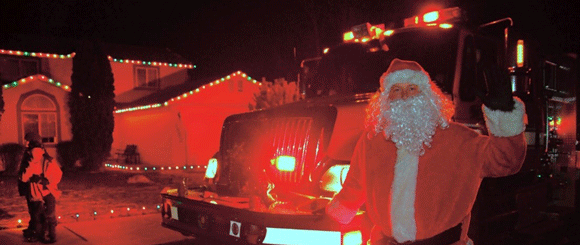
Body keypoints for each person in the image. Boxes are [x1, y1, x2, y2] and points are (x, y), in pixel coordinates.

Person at [325, 59, 527, 245]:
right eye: (396, 90)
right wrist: (337, 214)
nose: (404, 96)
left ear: (428, 97)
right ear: (385, 100)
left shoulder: (459, 140)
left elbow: (506, 161)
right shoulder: (371, 141)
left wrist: (503, 116)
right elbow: (356, 183)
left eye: (412, 88)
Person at [19, 135, 62, 243]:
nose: (36, 155)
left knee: (50, 215)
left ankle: (51, 235)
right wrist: (31, 165)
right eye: (34, 152)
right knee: (36, 216)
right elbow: (23, 177)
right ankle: (39, 234)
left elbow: (57, 175)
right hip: (34, 194)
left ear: (42, 151)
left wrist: (46, 181)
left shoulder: (48, 161)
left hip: (48, 192)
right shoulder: (29, 162)